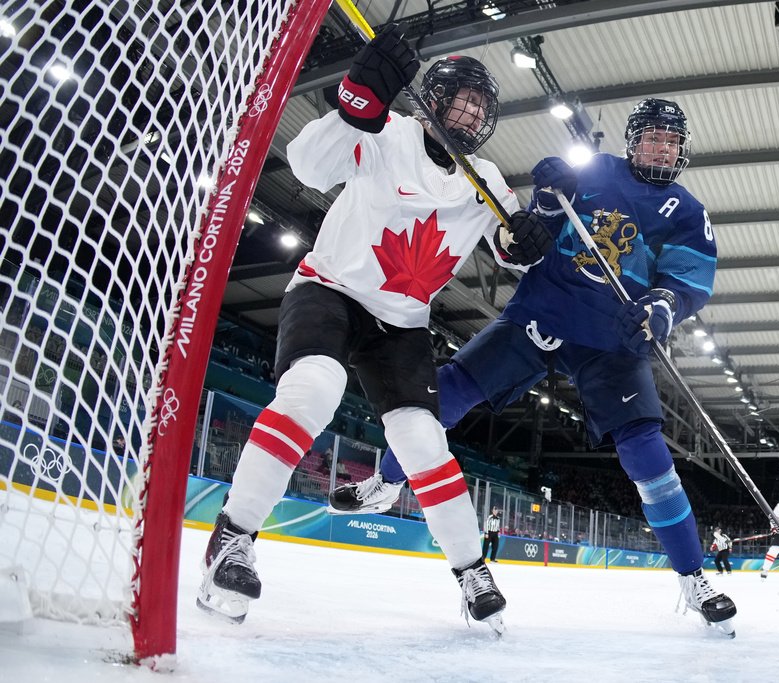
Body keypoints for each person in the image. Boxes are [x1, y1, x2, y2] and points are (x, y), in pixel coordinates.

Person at [330, 98, 737, 637]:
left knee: (648, 452)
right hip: (541, 315)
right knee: (447, 393)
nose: (660, 147)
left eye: (670, 140)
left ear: (681, 151)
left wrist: (661, 306)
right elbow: (534, 238)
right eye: (651, 137)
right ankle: (386, 482)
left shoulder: (687, 211)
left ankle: (693, 578)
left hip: (612, 342)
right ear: (632, 140)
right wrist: (547, 198)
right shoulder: (597, 172)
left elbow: (687, 281)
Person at [197, 25, 553, 630]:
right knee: (312, 391)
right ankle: (231, 540)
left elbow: (508, 241)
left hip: (404, 324)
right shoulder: (388, 131)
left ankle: (472, 573)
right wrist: (355, 103)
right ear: (434, 101)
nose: (468, 112)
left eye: (479, 106)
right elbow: (309, 165)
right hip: (330, 289)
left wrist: (528, 240)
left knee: (422, 441)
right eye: (460, 98)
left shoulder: (487, 179)